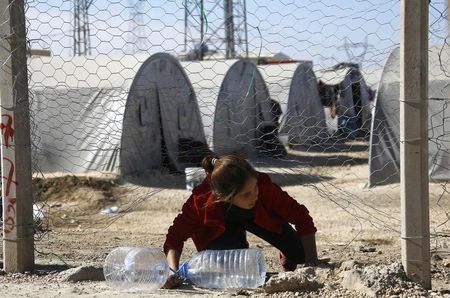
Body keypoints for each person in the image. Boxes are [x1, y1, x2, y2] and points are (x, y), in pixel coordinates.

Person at [163, 154, 318, 289]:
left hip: (260, 220)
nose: (254, 195)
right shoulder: (201, 200)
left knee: (301, 254)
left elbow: (301, 217)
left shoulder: (262, 186)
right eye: (246, 194)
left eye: (255, 188)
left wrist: (311, 262)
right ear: (226, 197)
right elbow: (175, 238)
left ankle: (286, 255)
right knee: (232, 272)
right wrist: (172, 272)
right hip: (221, 234)